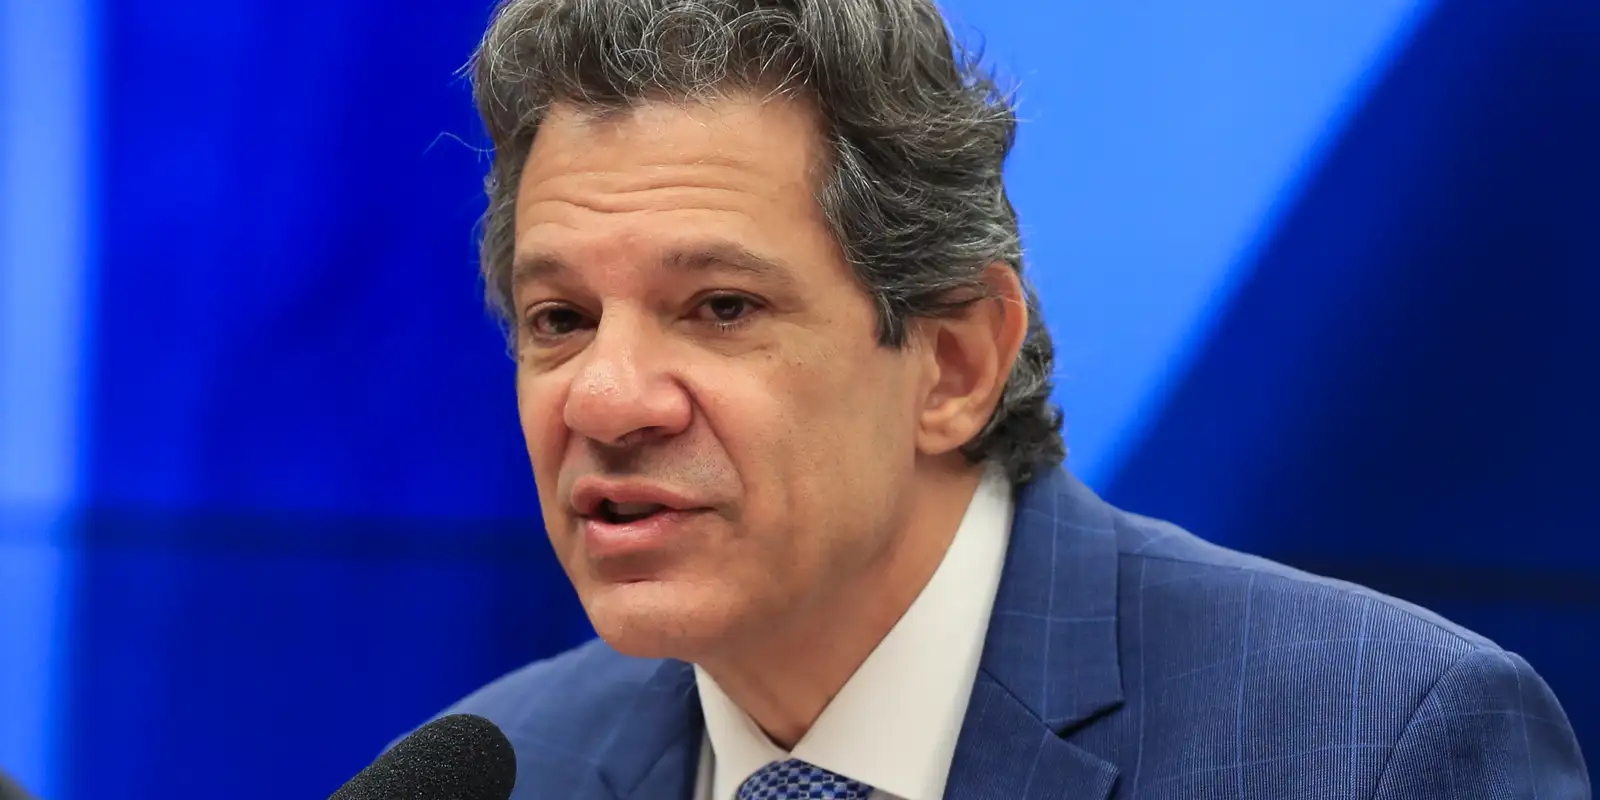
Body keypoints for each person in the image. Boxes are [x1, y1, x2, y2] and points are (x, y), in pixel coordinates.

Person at [414, 0, 1591, 797]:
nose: (605, 399)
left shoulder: (1371, 745)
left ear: (956, 363)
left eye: (721, 306)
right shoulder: (503, 766)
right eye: (559, 319)